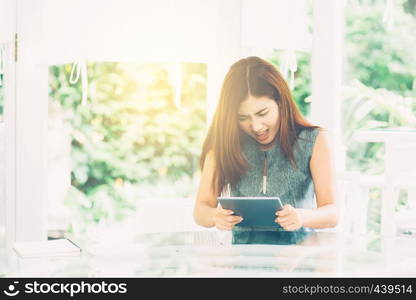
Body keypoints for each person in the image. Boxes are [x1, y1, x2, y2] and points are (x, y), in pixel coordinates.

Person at [193, 56, 339, 244]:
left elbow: (332, 213)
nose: (256, 126)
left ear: (280, 102)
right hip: (242, 262)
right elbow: (200, 211)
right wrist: (215, 216)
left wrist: (301, 216)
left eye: (263, 113)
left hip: (297, 261)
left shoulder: (314, 140)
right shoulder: (224, 145)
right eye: (243, 117)